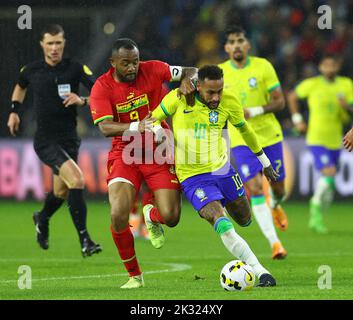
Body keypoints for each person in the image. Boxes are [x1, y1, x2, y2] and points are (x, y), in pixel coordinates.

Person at [152, 65, 278, 287]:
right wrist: (159, 134)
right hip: (193, 176)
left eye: (219, 90)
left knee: (244, 218)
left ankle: (225, 204)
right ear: (198, 86)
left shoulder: (229, 101)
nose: (216, 97)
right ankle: (260, 271)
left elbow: (245, 130)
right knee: (221, 221)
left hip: (223, 169)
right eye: (211, 92)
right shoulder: (179, 97)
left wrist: (264, 162)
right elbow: (152, 119)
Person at [89, 38, 197, 289]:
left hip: (159, 148)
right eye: (125, 63)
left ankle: (152, 213)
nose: (132, 68)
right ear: (112, 63)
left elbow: (193, 71)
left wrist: (187, 81)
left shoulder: (155, 68)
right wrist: (138, 126)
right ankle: (134, 276)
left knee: (171, 217)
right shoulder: (102, 87)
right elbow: (105, 127)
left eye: (135, 62)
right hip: (125, 152)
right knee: (118, 214)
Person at [7, 24, 102, 256]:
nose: (54, 48)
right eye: (50, 43)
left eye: (58, 43)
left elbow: (101, 91)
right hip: (46, 141)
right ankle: (85, 241)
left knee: (61, 192)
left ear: (64, 43)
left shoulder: (75, 68)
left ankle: (42, 217)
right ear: (42, 44)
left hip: (70, 139)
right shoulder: (31, 70)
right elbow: (20, 87)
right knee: (78, 180)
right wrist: (14, 111)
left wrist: (82, 100)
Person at [218, 26, 287, 259]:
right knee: (256, 188)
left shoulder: (263, 66)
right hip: (241, 139)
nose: (236, 45)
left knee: (278, 188)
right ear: (226, 48)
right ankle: (275, 243)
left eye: (240, 40)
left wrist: (255, 110)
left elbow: (280, 102)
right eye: (232, 42)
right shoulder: (220, 73)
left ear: (247, 45)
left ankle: (276, 205)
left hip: (269, 135)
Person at [288, 54, 353, 233]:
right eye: (326, 65)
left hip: (337, 140)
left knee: (330, 183)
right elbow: (292, 96)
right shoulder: (312, 84)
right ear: (321, 67)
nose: (329, 68)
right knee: (329, 172)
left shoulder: (346, 85)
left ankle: (318, 213)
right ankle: (314, 207)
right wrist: (297, 119)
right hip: (316, 138)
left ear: (337, 67)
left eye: (332, 65)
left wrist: (346, 106)